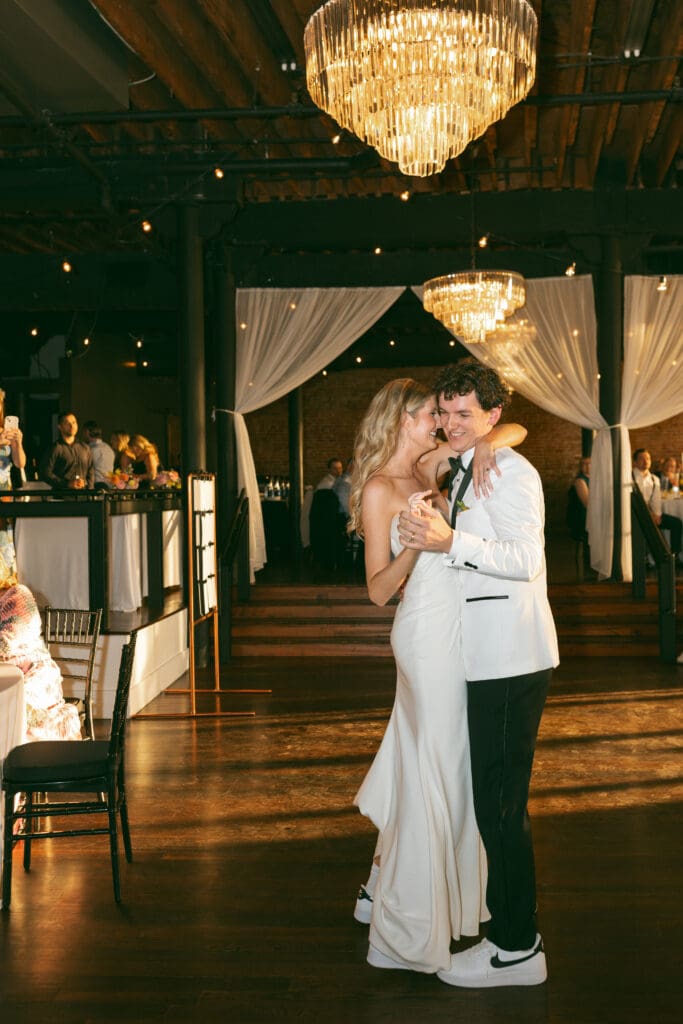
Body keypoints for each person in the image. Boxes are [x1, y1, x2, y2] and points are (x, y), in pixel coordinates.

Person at [348, 376, 527, 975]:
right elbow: (377, 591)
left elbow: (511, 426)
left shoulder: (432, 464)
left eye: (447, 414)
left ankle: (391, 888)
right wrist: (414, 544)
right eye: (432, 413)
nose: (443, 423)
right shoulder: (380, 488)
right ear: (403, 418)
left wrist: (492, 448)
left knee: (442, 764)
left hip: (460, 630)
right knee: (435, 765)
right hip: (424, 635)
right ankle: (405, 929)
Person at [398, 358, 559, 988]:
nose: (451, 423)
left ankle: (518, 947)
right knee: (494, 802)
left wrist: (449, 544)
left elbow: (525, 560)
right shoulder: (468, 465)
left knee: (501, 806)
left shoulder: (510, 471)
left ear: (492, 415)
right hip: (485, 656)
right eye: (445, 412)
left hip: (511, 657)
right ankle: (512, 935)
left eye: (466, 413)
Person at [0, 583, 82, 741]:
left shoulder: (18, 595)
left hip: (37, 677)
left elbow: (6, 644)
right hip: (12, 674)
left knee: (14, 709)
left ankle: (19, 758)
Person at [632, 448, 682, 559]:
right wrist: (650, 514)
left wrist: (657, 514)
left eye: (648, 458)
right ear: (635, 462)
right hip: (635, 515)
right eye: (642, 459)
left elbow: (656, 500)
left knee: (677, 523)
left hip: (651, 515)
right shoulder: (630, 477)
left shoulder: (654, 479)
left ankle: (674, 556)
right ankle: (645, 557)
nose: (646, 461)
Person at [0, 391, 27, 587]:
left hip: (4, 493)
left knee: (4, 541)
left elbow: (20, 463)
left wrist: (18, 444)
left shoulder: (6, 431)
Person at [40, 411, 94, 490]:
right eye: (67, 423)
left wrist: (90, 491)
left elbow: (90, 472)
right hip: (62, 496)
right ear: (60, 427)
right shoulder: (56, 448)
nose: (71, 426)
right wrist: (66, 484)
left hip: (83, 496)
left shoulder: (85, 448)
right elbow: (45, 473)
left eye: (74, 422)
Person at [83, 420, 115, 488]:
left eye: (83, 432)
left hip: (96, 486)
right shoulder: (108, 448)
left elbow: (85, 470)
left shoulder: (89, 450)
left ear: (87, 431)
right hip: (109, 486)